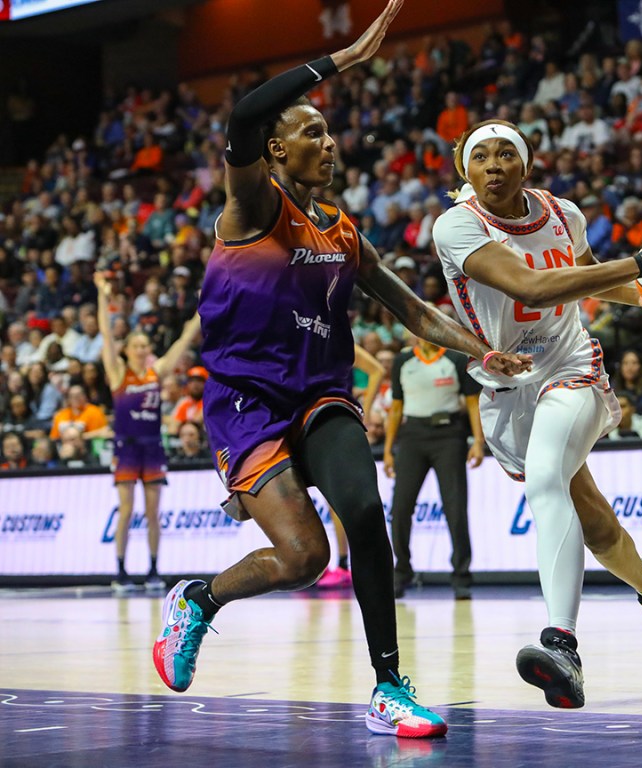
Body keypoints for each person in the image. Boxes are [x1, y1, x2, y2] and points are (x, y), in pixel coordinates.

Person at [151, 3, 531, 740]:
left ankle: (389, 686)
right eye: (311, 133)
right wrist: (344, 58)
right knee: (303, 556)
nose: (328, 143)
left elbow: (414, 311)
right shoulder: (249, 208)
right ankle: (199, 599)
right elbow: (245, 109)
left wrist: (478, 349)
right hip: (247, 404)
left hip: (323, 398)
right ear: (273, 150)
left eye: (329, 131)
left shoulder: (343, 231)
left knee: (364, 512)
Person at [432, 116, 642, 709]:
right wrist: (640, 267)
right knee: (597, 527)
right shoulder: (455, 225)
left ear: (527, 165)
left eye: (507, 154)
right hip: (507, 389)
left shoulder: (564, 211)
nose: (494, 165)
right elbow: (530, 287)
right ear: (466, 171)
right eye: (481, 158)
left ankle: (562, 644)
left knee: (548, 479)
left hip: (570, 366)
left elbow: (585, 281)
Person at [95, 273, 202, 593]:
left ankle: (154, 569)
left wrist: (202, 306)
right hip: (127, 448)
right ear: (127, 349)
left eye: (145, 345)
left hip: (152, 446)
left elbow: (184, 340)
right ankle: (121, 571)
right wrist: (103, 296)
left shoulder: (157, 372)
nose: (142, 349)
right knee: (126, 510)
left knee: (153, 512)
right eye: (137, 345)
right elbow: (104, 334)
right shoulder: (118, 373)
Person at [384, 334, 484, 600]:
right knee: (401, 508)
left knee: (455, 507)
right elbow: (396, 407)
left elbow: (473, 402)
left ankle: (461, 576)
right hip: (412, 436)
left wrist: (478, 441)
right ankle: (401, 571)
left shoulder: (455, 358)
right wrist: (388, 450)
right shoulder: (403, 361)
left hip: (449, 435)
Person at [318, 343, 384, 590]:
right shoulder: (302, 337)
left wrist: (362, 410)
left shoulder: (336, 336)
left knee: (340, 501)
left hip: (337, 424)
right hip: (312, 425)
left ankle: (345, 564)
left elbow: (376, 370)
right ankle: (338, 562)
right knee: (331, 501)